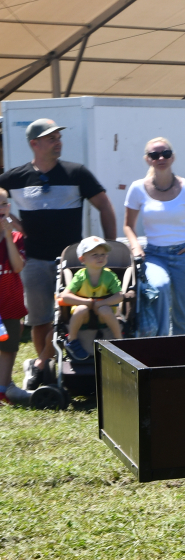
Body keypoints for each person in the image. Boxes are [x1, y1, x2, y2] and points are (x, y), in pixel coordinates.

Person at [0, 118, 116, 390]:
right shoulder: (16, 177)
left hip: (72, 262)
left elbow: (105, 207)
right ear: (34, 144)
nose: (58, 142)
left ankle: (42, 363)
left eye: (59, 137)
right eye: (51, 138)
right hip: (33, 261)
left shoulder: (77, 173)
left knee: (67, 315)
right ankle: (47, 373)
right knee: (39, 320)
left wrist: (110, 245)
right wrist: (10, 220)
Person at [124, 137, 185, 337]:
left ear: (173, 157)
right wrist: (135, 246)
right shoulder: (137, 188)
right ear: (147, 159)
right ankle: (162, 346)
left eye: (166, 154)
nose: (161, 158)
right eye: (154, 155)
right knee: (159, 287)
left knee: (183, 318)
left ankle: (182, 354)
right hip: (154, 255)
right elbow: (128, 226)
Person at [58, 236, 124, 360]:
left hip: (103, 317)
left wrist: (100, 303)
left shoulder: (109, 276)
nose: (100, 257)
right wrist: (87, 302)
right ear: (82, 259)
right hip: (84, 318)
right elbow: (65, 296)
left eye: (103, 254)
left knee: (105, 309)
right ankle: (71, 340)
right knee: (81, 309)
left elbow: (119, 296)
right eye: (95, 254)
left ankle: (119, 340)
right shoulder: (80, 276)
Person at [0, 190, 28, 402]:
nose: (0, 209)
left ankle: (3, 388)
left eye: (3, 204)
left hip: (10, 302)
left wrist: (9, 237)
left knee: (8, 348)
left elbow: (18, 267)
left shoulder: (17, 237)